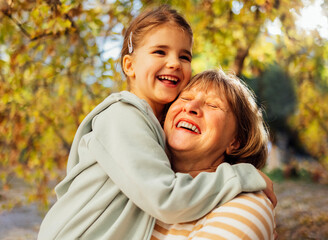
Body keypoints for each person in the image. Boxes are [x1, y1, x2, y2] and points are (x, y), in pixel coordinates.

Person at [38, 6, 275, 240]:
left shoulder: (151, 129)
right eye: (160, 52)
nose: (174, 63)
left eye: (184, 56)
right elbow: (165, 198)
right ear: (129, 65)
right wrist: (242, 176)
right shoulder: (122, 117)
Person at [151, 69, 275, 240]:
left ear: (235, 141)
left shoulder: (247, 206)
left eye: (213, 105)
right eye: (185, 98)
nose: (190, 107)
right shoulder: (140, 183)